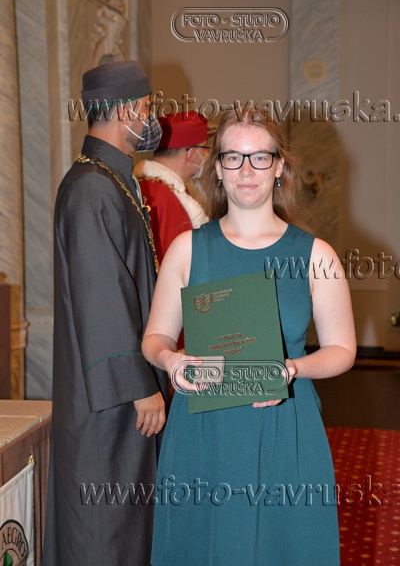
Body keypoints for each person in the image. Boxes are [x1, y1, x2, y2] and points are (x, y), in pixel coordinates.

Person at [142, 106, 356, 566]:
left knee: (285, 549)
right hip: (204, 430)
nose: (246, 170)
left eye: (259, 157)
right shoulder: (188, 248)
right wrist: (170, 360)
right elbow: (155, 336)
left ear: (279, 166)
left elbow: (342, 350)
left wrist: (292, 368)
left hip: (285, 426)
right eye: (233, 157)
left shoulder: (316, 254)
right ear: (217, 168)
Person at [42, 61, 169, 566]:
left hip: (119, 396)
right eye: (147, 107)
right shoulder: (92, 187)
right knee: (105, 532)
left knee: (126, 527)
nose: (152, 118)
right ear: (124, 111)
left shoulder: (110, 180)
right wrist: (140, 386)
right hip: (111, 404)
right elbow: (102, 296)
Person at [134, 110, 209, 265]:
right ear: (192, 153)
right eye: (205, 148)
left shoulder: (146, 185)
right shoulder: (166, 198)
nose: (207, 154)